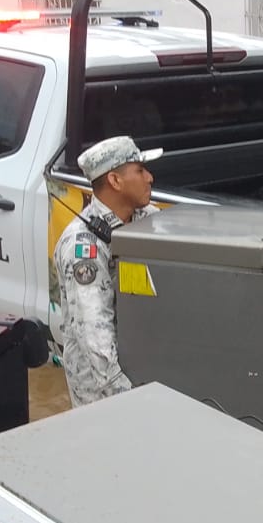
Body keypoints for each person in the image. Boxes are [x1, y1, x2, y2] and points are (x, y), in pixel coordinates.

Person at [53, 135, 162, 407]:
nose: (149, 178)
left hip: (143, 372)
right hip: (103, 395)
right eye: (139, 170)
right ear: (115, 181)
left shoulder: (147, 218)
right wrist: (131, 401)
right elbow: (95, 337)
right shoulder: (84, 247)